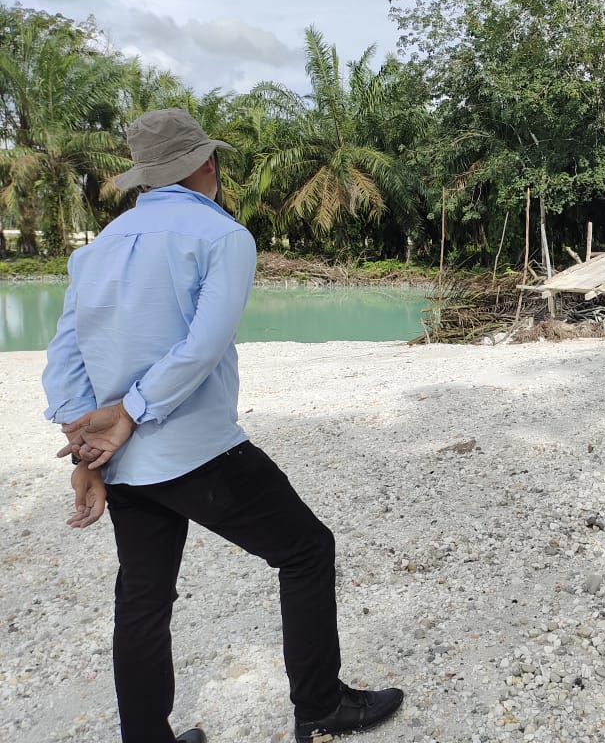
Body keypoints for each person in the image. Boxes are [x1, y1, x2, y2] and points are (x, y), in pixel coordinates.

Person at [43, 108, 404, 743]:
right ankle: (320, 709)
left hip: (121, 460)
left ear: (146, 178)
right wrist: (130, 414)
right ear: (207, 164)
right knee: (307, 551)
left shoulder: (99, 246)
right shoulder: (222, 236)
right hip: (193, 447)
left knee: (144, 597)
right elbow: (202, 346)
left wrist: (86, 450)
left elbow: (66, 353)